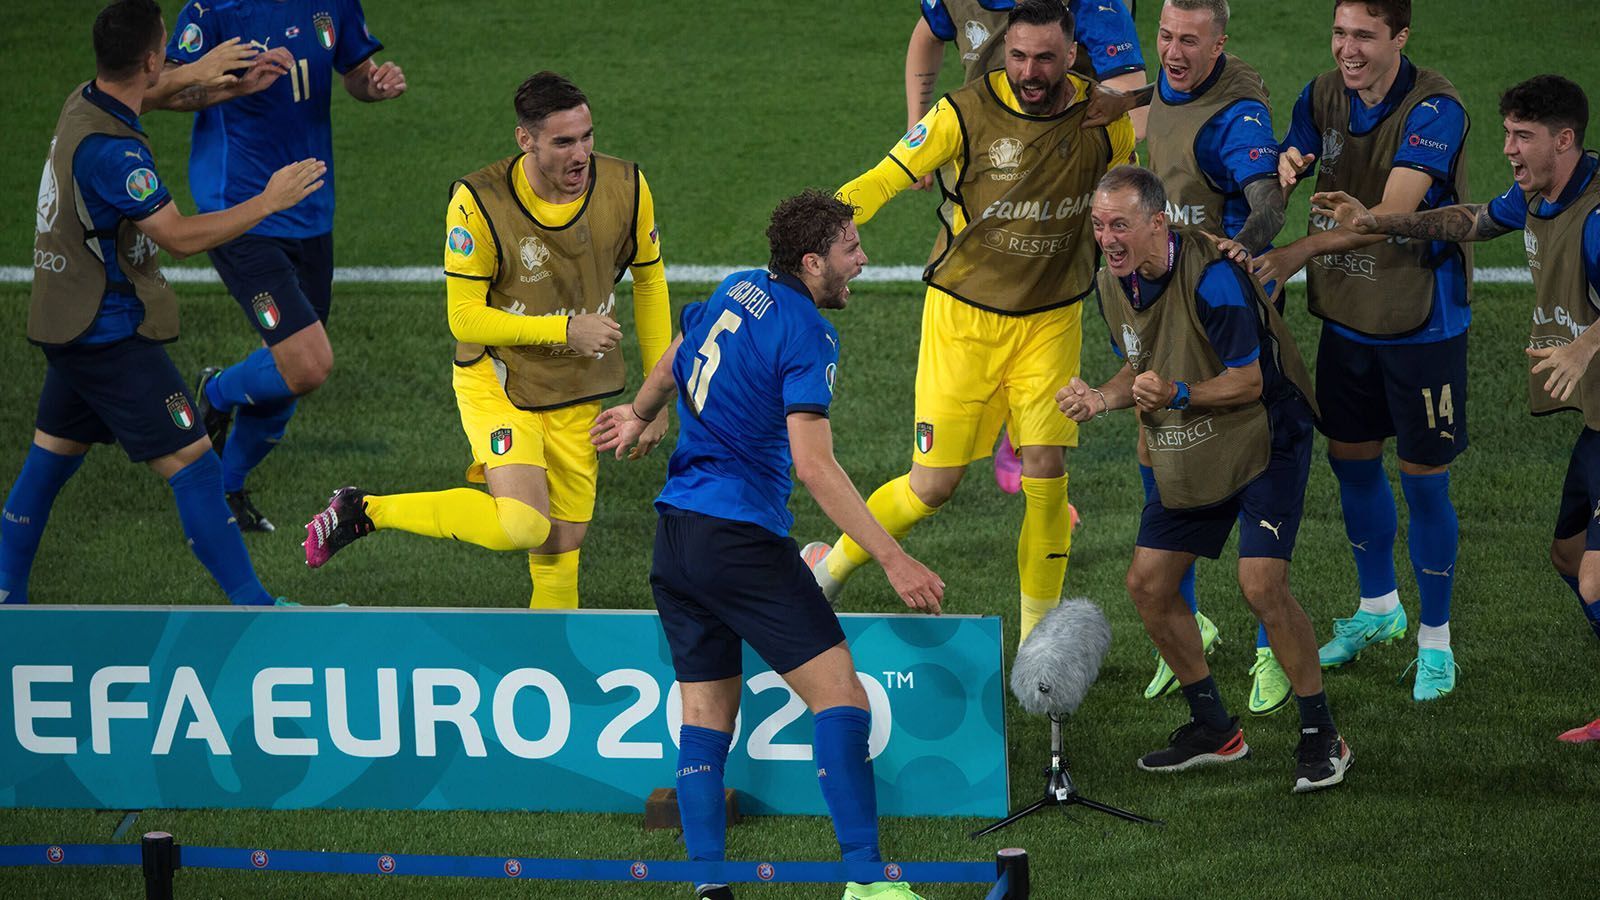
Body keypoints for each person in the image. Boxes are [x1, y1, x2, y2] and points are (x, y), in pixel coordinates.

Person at [590, 190, 943, 900]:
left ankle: (711, 890)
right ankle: (869, 883)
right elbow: (814, 465)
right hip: (740, 539)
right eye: (850, 249)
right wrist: (892, 556)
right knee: (842, 696)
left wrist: (638, 413)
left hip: (677, 540)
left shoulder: (737, 286)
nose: (863, 261)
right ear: (813, 262)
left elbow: (674, 355)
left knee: (704, 720)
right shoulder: (807, 331)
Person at [806, 0, 1137, 647]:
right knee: (933, 485)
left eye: (1044, 58)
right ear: (1002, 52)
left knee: (1045, 470)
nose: (1030, 71)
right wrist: (813, 239)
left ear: (1071, 56)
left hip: (1049, 321)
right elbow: (881, 179)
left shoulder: (1102, 120)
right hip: (963, 322)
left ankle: (1036, 649)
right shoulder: (963, 114)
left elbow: (1127, 188)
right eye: (1017, 57)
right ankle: (830, 565)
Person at [302, 72, 672, 610]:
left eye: (587, 136)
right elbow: (465, 319)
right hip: (499, 378)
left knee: (561, 547)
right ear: (526, 140)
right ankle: (367, 511)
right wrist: (566, 329)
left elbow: (650, 280)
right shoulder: (479, 202)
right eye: (563, 142)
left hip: (575, 384)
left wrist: (656, 400)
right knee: (523, 523)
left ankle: (550, 672)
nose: (581, 155)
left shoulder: (627, 186)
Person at [1, 0, 324, 607]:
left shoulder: (85, 100)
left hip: (64, 318)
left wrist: (215, 80)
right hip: (107, 332)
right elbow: (177, 237)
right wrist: (267, 201)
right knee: (196, 464)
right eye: (166, 54)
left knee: (50, 461)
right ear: (151, 57)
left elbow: (148, 93)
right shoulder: (118, 157)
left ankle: (6, 598)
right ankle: (257, 610)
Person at [1311, 74, 1600, 742]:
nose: (1509, 149)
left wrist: (1586, 347)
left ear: (1565, 140)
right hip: (1596, 421)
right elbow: (1472, 220)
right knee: (1567, 554)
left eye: (1523, 137)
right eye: (1506, 134)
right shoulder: (1537, 193)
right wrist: (1379, 221)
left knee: (1593, 578)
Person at [1059, 166, 1350, 793]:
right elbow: (1138, 368)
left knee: (1261, 584)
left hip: (1264, 437)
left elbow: (1249, 381)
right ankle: (1214, 729)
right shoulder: (1115, 280)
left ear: (1157, 224)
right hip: (1193, 441)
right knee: (1148, 582)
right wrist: (1098, 400)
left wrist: (1179, 392)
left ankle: (1322, 735)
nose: (1107, 238)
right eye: (1099, 224)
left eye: (1120, 225)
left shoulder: (1214, 280)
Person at [1258, 0, 1471, 701]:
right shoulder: (1323, 94)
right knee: (1352, 465)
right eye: (1341, 33)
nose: (1348, 50)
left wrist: (1297, 251)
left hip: (1421, 327)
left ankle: (1435, 641)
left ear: (1400, 37)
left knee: (1422, 482)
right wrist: (1290, 161)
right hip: (1349, 318)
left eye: (1365, 37)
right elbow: (1300, 145)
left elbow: (1387, 215)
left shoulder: (1435, 110)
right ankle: (1379, 609)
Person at [160, 0, 405, 533]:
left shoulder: (333, 3)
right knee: (307, 362)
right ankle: (220, 394)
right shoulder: (213, 9)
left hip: (311, 204)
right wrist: (229, 84)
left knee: (294, 369)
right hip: (241, 209)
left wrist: (374, 83)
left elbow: (354, 74)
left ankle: (225, 480)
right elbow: (163, 89)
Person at [906, 0, 1148, 495]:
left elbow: (1135, 103)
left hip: (1057, 188)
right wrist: (918, 124)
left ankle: (1030, 431)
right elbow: (929, 33)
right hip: (985, 175)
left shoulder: (1092, 8)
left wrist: (1092, 132)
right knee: (933, 485)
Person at [1138, 0, 1289, 710]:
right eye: (1165, 36)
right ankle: (1186, 625)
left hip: (1225, 317)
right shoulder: (1171, 83)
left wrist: (1246, 245)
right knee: (1163, 462)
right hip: (1171, 312)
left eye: (1188, 41)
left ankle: (1272, 652)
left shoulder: (1238, 118)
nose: (1172, 50)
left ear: (1219, 44)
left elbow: (1267, 200)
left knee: (1246, 471)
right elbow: (1163, 101)